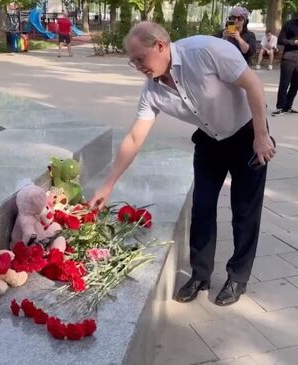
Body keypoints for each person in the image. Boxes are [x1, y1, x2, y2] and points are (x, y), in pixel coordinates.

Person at [89, 21, 275, 306]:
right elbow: (136, 136)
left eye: (140, 58)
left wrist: (261, 136)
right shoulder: (152, 89)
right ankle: (200, 274)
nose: (138, 66)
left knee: (244, 209)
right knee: (201, 206)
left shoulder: (206, 51)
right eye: (132, 61)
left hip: (247, 134)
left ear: (160, 46)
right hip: (210, 140)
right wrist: (109, 183)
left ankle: (238, 276)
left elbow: (253, 85)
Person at [271, 5, 298, 116]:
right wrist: (294, 42)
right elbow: (281, 40)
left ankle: (288, 106)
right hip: (289, 57)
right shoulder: (289, 24)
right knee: (284, 83)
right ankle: (280, 106)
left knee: (296, 84)